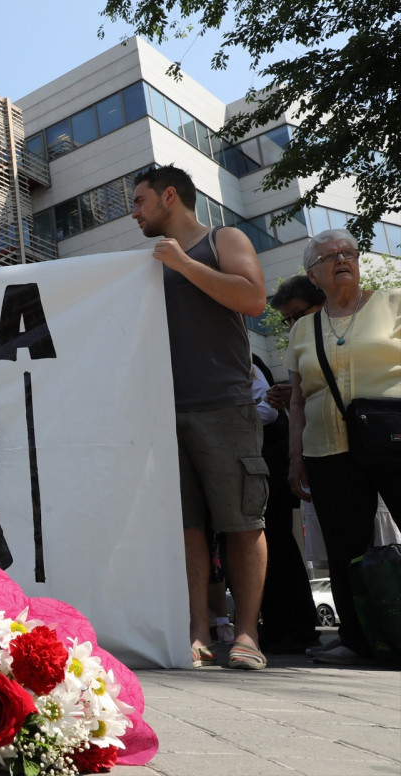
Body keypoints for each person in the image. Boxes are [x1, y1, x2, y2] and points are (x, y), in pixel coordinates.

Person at [133, 164, 270, 670]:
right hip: (164, 412)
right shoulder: (149, 262)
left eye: (141, 201)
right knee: (187, 529)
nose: (135, 212)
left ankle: (248, 635)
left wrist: (186, 266)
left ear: (170, 197)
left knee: (241, 521)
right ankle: (197, 634)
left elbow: (253, 298)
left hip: (224, 404)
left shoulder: (222, 238)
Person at [285, 228, 401, 665]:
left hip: (393, 438)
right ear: (313, 274)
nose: (342, 260)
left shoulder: (392, 303)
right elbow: (297, 398)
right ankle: (356, 638)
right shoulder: (302, 329)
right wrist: (295, 455)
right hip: (327, 449)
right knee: (344, 548)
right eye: (329, 256)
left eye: (348, 252)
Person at [252, 354, 321, 655]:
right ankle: (279, 627)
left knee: (277, 547)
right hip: (263, 462)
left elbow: (268, 412)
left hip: (269, 463)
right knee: (270, 549)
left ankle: (297, 628)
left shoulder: (245, 359)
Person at [265, 275, 326, 412]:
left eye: (298, 314)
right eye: (287, 319)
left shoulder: (349, 335)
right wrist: (287, 398)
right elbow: (298, 403)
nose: (294, 324)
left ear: (324, 303)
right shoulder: (297, 348)